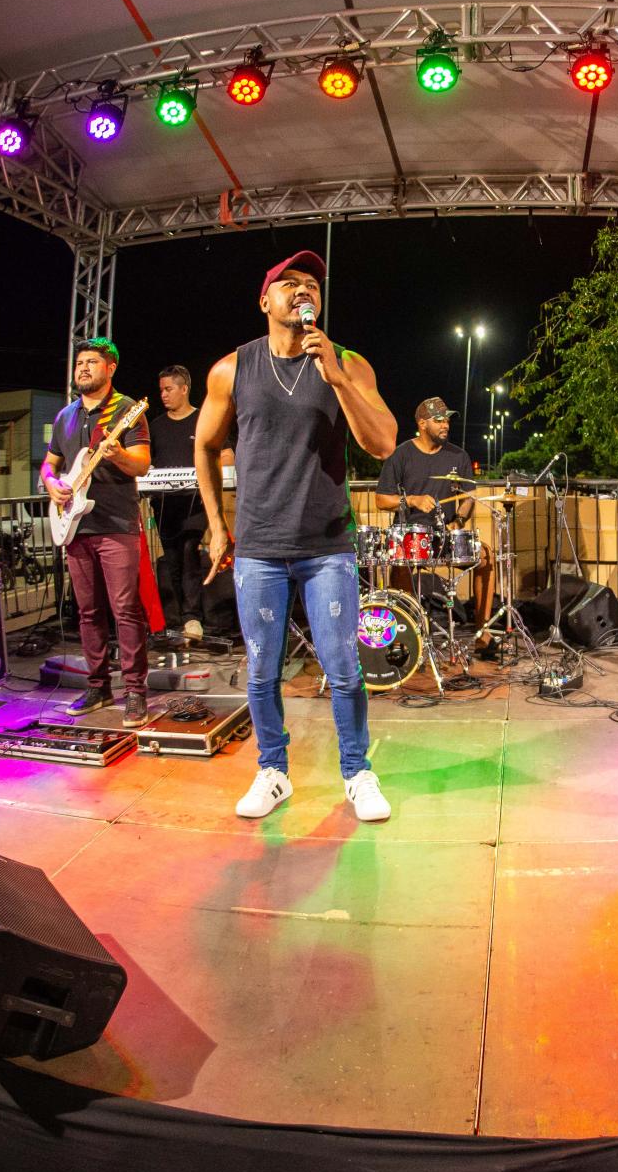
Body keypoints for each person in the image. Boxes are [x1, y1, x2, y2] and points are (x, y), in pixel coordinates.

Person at [196, 250, 400, 823]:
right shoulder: (231, 369)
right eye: (290, 283)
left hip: (326, 546)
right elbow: (204, 446)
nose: (303, 290)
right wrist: (217, 523)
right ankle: (273, 771)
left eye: (311, 283)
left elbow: (384, 443)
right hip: (259, 547)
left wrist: (335, 376)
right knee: (262, 668)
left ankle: (358, 773)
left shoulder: (347, 362)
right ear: (266, 300)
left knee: (342, 667)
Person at [42, 338, 154, 727]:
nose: (83, 368)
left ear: (111, 368)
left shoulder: (127, 411)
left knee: (125, 610)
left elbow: (142, 464)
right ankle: (97, 685)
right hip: (75, 524)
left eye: (92, 361)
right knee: (87, 612)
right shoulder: (64, 416)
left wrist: (118, 455)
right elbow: (50, 464)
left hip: (116, 523)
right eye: (80, 363)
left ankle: (135, 692)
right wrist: (51, 484)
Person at [373, 396, 497, 656]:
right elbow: (381, 500)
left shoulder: (458, 456)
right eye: (438, 420)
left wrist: (460, 520)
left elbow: (466, 497)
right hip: (412, 537)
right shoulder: (401, 454)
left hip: (445, 535)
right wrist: (412, 500)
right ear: (422, 423)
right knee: (399, 567)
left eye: (447, 420)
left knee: (486, 557)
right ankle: (403, 637)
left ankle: (481, 633)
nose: (445, 425)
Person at [146, 364, 233, 641]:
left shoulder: (203, 420)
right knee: (170, 559)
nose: (164, 395)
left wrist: (203, 473)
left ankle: (193, 616)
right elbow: (146, 463)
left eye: (169, 389)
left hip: (196, 504)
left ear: (184, 389)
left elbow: (228, 455)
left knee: (188, 552)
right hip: (164, 505)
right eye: (161, 390)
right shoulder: (156, 426)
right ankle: (175, 616)